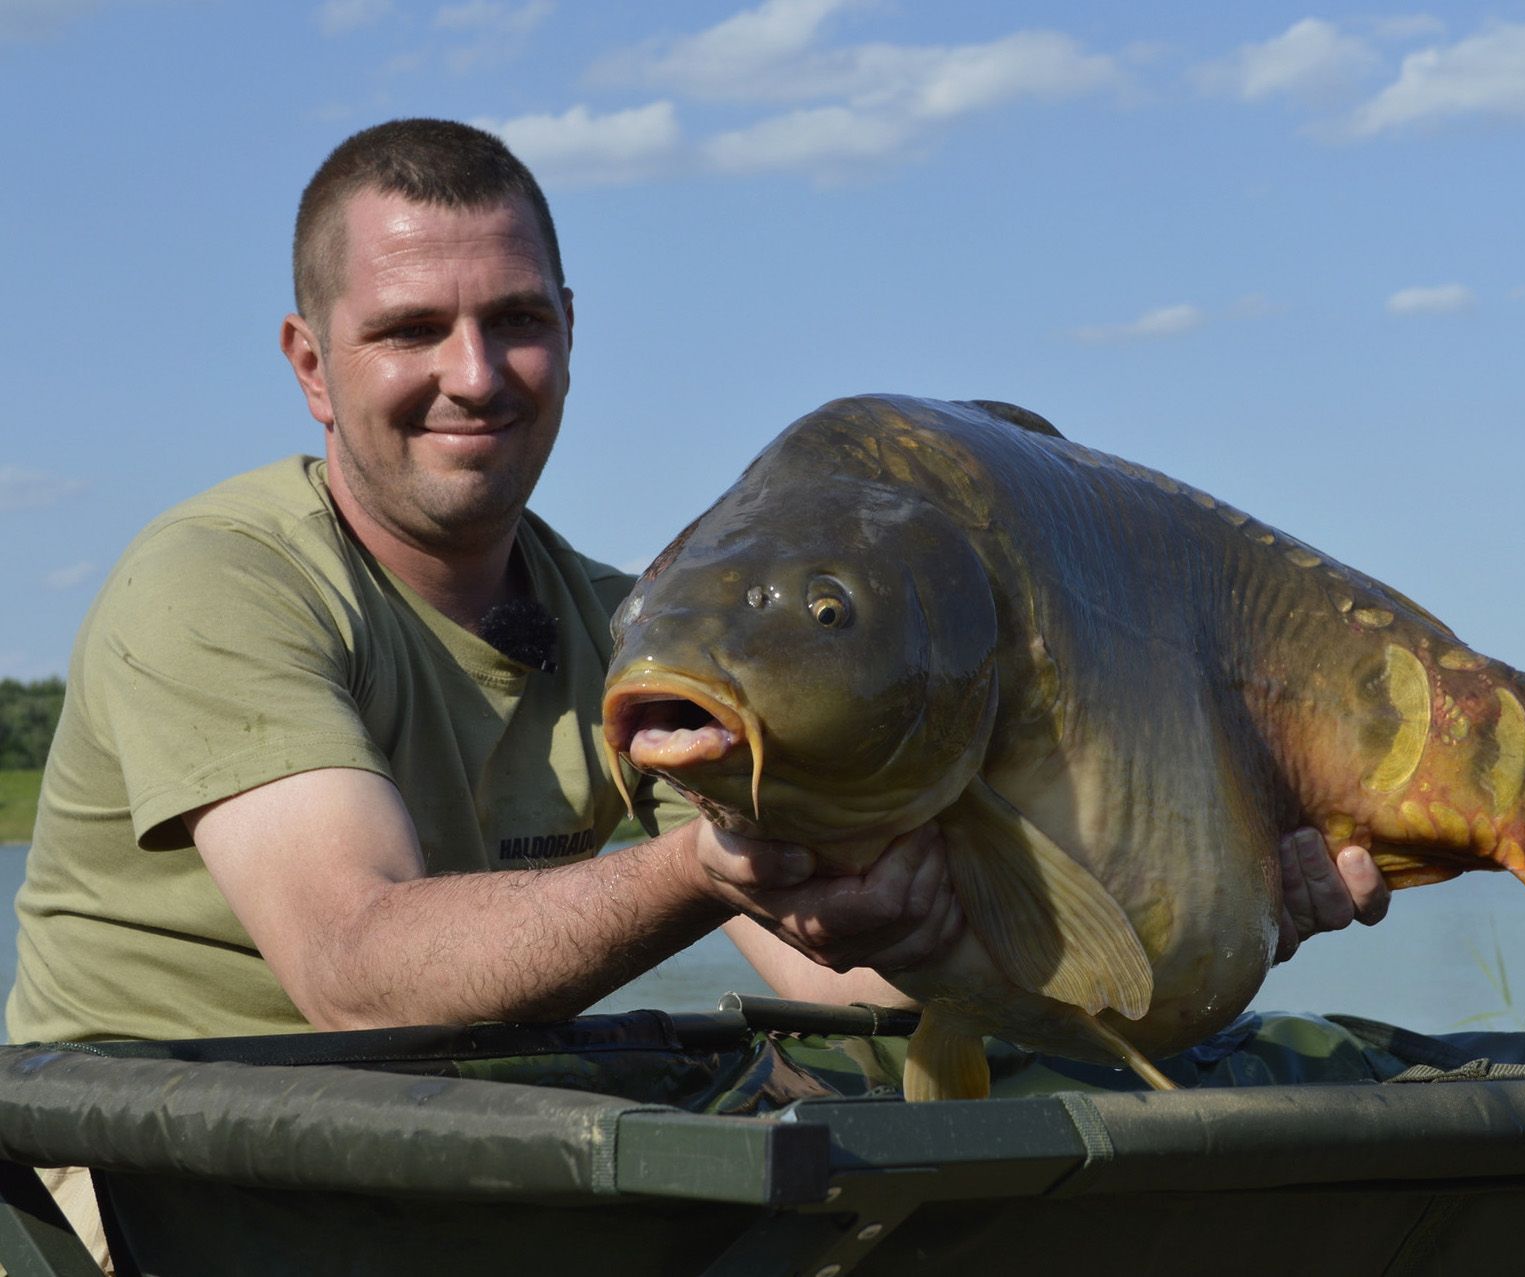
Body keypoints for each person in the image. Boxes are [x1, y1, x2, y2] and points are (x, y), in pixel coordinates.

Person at [8, 116, 1385, 1048]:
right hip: (146, 1182)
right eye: (412, 331)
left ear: (571, 331)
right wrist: (707, 866)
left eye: (518, 323)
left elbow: (823, 968)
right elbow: (356, 968)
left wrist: (1200, 898)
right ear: (311, 364)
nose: (476, 376)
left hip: (423, 1177)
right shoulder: (221, 583)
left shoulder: (640, 628)